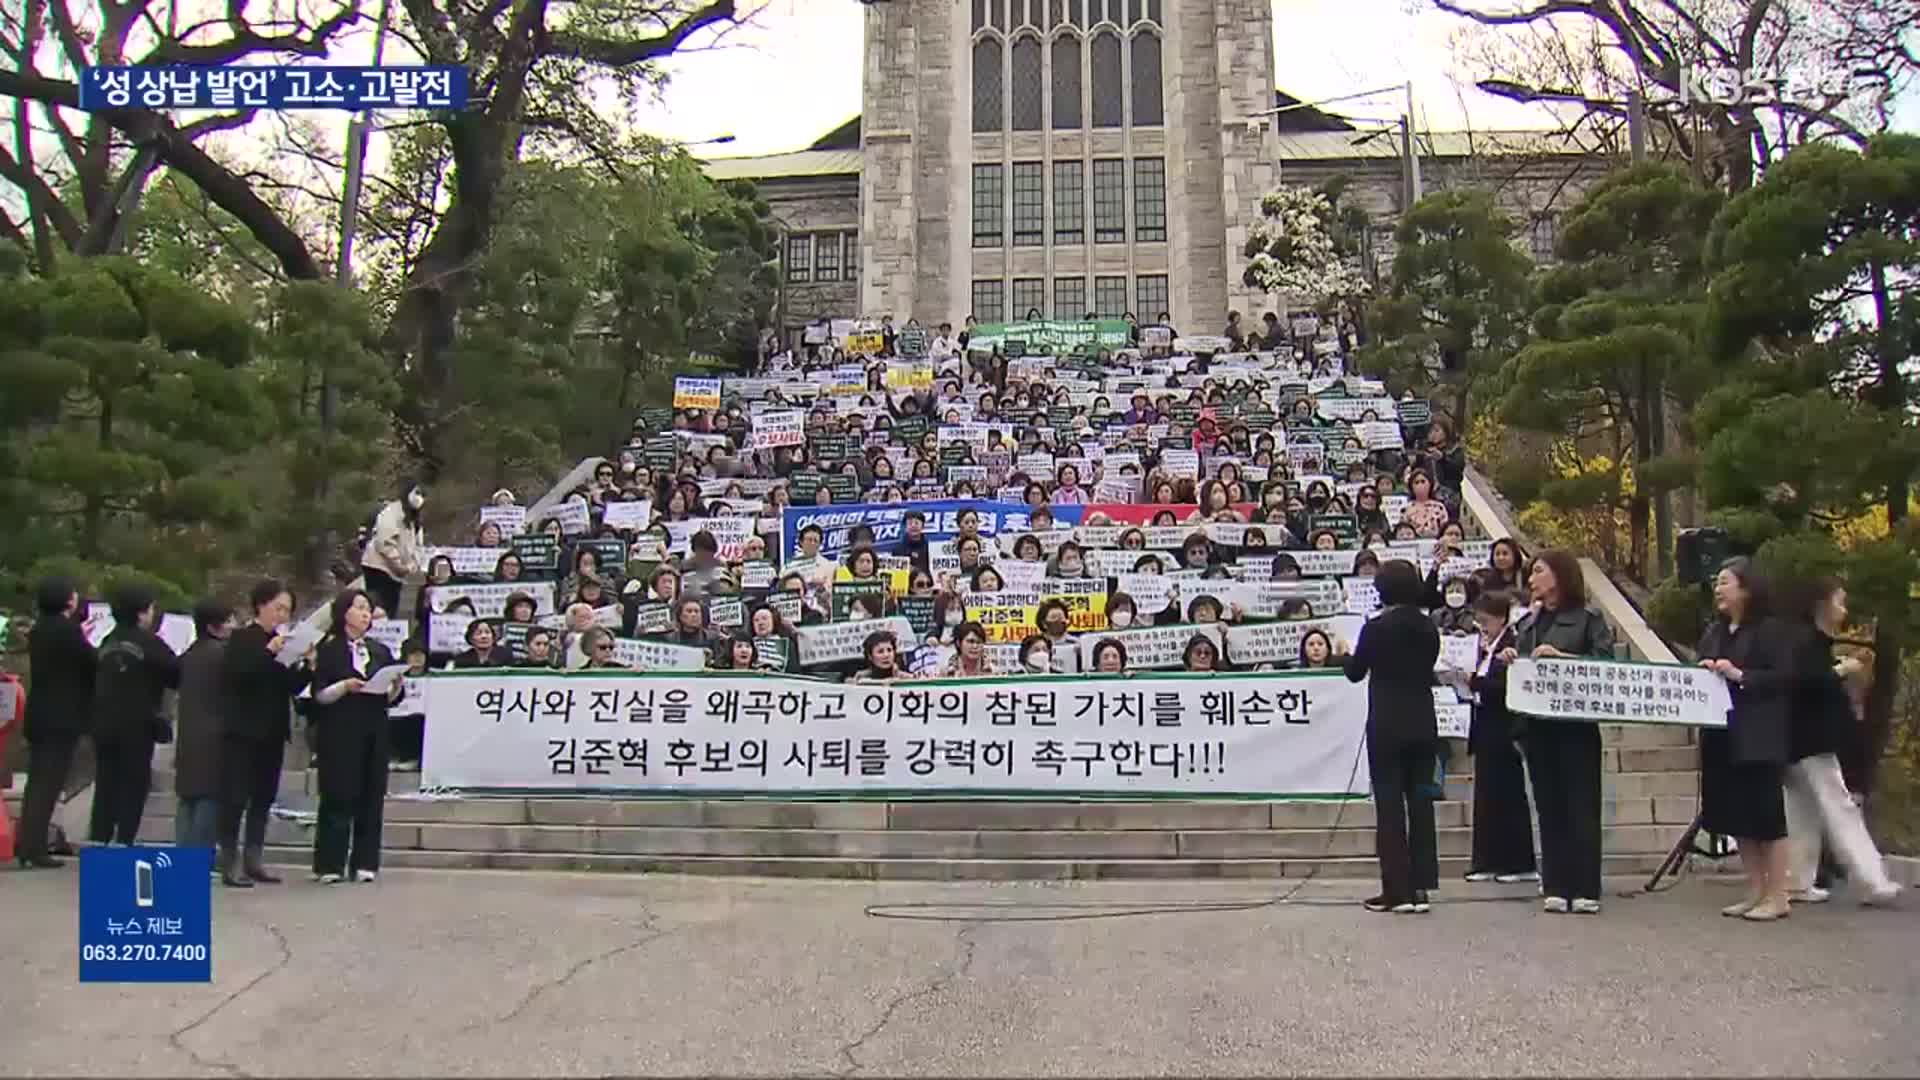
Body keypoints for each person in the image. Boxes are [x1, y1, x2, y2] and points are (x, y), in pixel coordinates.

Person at [1776, 576, 1901, 907]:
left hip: (1796, 741)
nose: (1844, 609)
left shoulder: (1804, 640)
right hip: (1812, 739)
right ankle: (1870, 879)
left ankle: (1797, 881)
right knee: (1840, 806)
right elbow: (1802, 682)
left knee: (1803, 812)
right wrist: (1841, 670)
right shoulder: (1807, 642)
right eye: (1839, 601)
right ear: (1821, 605)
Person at [1501, 550, 1614, 915]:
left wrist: (1563, 660)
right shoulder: (1529, 624)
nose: (1531, 580)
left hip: (1576, 728)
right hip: (1538, 728)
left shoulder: (1588, 619)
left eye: (1538, 572)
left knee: (1580, 804)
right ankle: (1555, 882)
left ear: (1560, 576)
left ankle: (1585, 886)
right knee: (1548, 806)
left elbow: (1607, 668)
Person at [1695, 558, 1796, 922]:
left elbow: (1784, 677)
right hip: (1723, 734)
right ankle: (1755, 889)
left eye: (1726, 582)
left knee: (1767, 816)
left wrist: (1739, 675)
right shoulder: (1716, 631)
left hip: (1759, 734)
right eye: (1717, 583)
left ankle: (1779, 894)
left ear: (1748, 588)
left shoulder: (1770, 630)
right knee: (1738, 817)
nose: (1718, 589)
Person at [1341, 559, 1442, 914]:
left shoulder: (1376, 627)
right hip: (1424, 720)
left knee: (1390, 805)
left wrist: (1344, 653)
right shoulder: (1429, 627)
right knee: (1421, 802)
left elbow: (1355, 673)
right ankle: (1421, 887)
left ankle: (1396, 889)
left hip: (1386, 721)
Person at [219, 579, 314, 888]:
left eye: (287, 610)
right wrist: (268, 651)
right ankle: (229, 861)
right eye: (278, 608)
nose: (282, 616)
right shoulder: (242, 639)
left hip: (273, 730)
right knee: (236, 797)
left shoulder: (281, 640)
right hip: (243, 730)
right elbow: (240, 674)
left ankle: (254, 859)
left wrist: (307, 667)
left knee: (262, 797)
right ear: (261, 605)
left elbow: (288, 685)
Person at [310, 589, 404, 884]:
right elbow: (318, 695)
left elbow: (392, 697)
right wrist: (344, 686)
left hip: (375, 728)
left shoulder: (380, 650)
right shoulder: (328, 649)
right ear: (344, 613)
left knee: (371, 794)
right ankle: (330, 863)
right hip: (339, 729)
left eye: (368, 609)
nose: (366, 614)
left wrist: (395, 687)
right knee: (337, 794)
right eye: (360, 608)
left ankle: (365, 862)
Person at [88, 585, 182, 847]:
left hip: (103, 722)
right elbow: (176, 673)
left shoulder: (107, 641)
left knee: (106, 784)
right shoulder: (150, 643)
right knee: (134, 784)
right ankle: (124, 839)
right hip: (136, 724)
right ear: (142, 613)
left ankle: (99, 837)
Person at [17, 577, 95, 868]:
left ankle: (28, 842)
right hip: (61, 716)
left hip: (39, 712)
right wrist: (85, 639)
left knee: (37, 781)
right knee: (48, 783)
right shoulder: (68, 631)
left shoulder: (40, 631)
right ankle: (34, 848)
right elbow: (90, 664)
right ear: (66, 600)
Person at [1462, 590, 1536, 884]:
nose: (1482, 626)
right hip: (1484, 725)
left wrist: (1476, 681)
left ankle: (1517, 862)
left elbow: (1508, 685)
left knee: (1509, 796)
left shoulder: (1512, 643)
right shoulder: (1482, 646)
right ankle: (1486, 860)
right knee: (1486, 796)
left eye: (1486, 620)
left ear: (1501, 617)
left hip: (1505, 726)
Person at [173, 600, 235, 849]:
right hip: (214, 737)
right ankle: (198, 857)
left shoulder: (188, 656)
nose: (234, 626)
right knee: (208, 800)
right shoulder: (223, 656)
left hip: (188, 736)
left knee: (187, 800)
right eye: (229, 621)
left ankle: (182, 856)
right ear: (213, 627)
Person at [360, 483, 426, 616]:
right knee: (378, 609)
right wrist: (398, 564)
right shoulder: (392, 512)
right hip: (379, 567)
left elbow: (417, 546)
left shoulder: (414, 519)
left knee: (391, 609)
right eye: (417, 493)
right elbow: (385, 542)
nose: (419, 498)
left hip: (397, 573)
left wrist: (413, 564)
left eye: (423, 495)